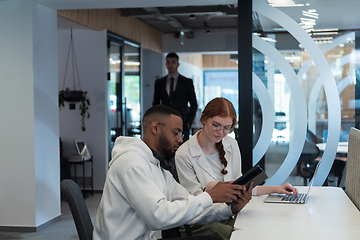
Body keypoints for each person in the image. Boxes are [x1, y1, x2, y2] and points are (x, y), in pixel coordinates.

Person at [93, 104, 251, 240]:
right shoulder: (132, 164)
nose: (180, 139)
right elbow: (158, 217)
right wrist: (210, 196)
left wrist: (230, 209)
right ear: (155, 128)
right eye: (176, 133)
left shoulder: (156, 166)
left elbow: (190, 205)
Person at [175, 97, 298, 240]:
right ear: (203, 119)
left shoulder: (231, 144)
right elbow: (196, 207)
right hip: (202, 222)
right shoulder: (184, 154)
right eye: (216, 125)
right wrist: (232, 208)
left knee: (266, 227)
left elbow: (240, 186)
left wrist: (275, 189)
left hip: (230, 213)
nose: (221, 132)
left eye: (227, 128)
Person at [153, 52, 198, 141]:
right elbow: (156, 103)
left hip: (182, 122)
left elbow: (194, 104)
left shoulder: (187, 82)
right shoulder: (159, 82)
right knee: (165, 147)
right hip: (164, 122)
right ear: (165, 64)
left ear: (178, 64)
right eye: (168, 62)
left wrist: (189, 122)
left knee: (182, 149)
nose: (170, 65)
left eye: (173, 62)